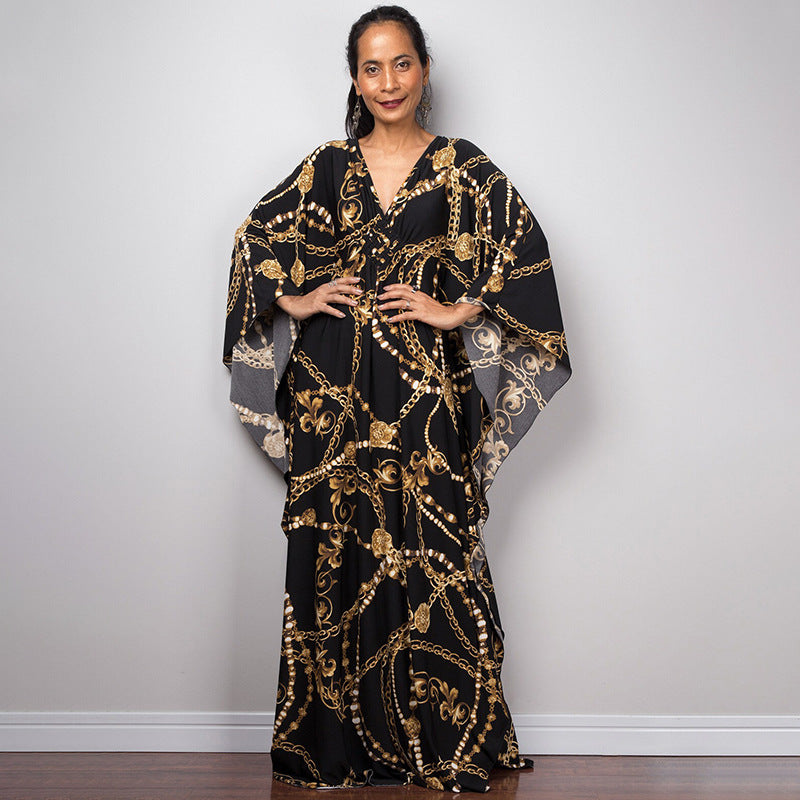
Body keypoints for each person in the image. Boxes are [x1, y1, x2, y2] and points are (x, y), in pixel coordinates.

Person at [223, 5, 571, 793]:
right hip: (334, 394)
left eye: (402, 63)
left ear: (425, 69)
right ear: (355, 79)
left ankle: (443, 741)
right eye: (371, 67)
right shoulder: (324, 169)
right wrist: (296, 297)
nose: (388, 82)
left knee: (436, 550)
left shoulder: (460, 168)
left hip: (420, 393)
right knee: (337, 550)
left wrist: (458, 309)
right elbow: (252, 242)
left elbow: (525, 257)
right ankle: (335, 746)